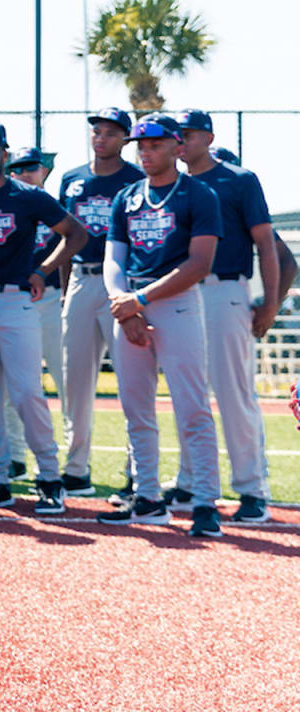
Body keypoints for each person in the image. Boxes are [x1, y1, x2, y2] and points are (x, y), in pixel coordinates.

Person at [0, 121, 86, 515]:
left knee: (26, 392)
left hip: (14, 300)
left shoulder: (26, 196)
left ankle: (50, 478)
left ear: (4, 155)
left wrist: (44, 270)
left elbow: (75, 234)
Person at [96, 114, 222, 538]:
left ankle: (205, 502)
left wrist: (141, 301)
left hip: (176, 304)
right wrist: (125, 306)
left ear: (176, 147)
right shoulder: (127, 197)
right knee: (135, 408)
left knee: (192, 408)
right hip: (130, 305)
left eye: (154, 145)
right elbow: (114, 259)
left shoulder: (198, 194)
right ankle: (148, 498)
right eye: (141, 146)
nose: (145, 152)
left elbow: (199, 264)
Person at [164, 109, 279, 523]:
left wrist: (268, 301)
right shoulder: (169, 186)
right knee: (186, 394)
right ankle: (190, 481)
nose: (181, 142)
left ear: (209, 138)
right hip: (179, 293)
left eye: (189, 135)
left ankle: (252, 489)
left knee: (234, 394)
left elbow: (266, 244)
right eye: (177, 135)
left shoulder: (238, 179)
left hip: (225, 290)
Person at [58, 107, 145, 499]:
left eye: (111, 132)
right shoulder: (72, 179)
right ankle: (75, 470)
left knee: (131, 379)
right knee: (75, 380)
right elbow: (65, 238)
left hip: (121, 285)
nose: (101, 137)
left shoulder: (136, 180)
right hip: (79, 279)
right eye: (97, 131)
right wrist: (64, 291)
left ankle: (136, 471)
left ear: (125, 138)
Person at [1, 147, 69, 484]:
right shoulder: (8, 206)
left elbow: (71, 250)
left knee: (66, 380)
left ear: (44, 171)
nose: (26, 173)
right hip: (15, 301)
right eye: (19, 168)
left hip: (53, 299)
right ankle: (15, 456)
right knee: (14, 386)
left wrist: (68, 296)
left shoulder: (55, 208)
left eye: (32, 168)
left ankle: (73, 462)